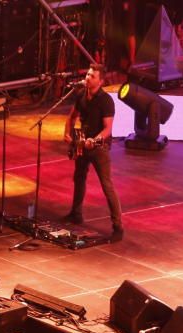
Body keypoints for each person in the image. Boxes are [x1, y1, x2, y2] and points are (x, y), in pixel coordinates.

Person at [63, 64, 124, 242]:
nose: (88, 78)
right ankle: (76, 213)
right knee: (79, 177)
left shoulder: (105, 100)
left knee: (107, 185)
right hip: (82, 143)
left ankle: (118, 226)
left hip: (99, 148)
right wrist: (67, 132)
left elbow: (107, 130)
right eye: (88, 74)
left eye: (92, 76)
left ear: (101, 81)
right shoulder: (81, 95)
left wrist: (94, 140)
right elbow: (71, 116)